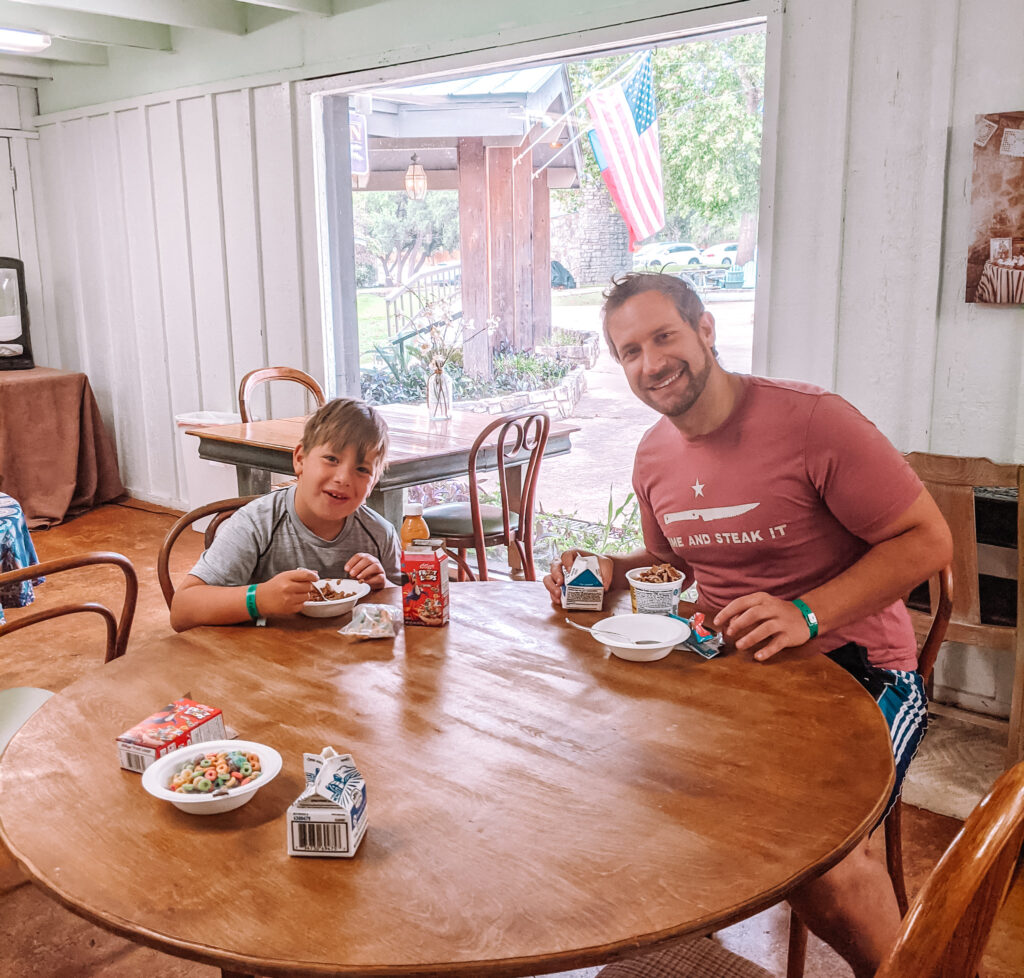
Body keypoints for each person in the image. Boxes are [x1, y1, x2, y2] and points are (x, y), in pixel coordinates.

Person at [543, 273, 952, 978]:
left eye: (664, 336)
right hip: (729, 669)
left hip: (860, 669)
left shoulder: (814, 421)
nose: (651, 364)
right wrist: (610, 564)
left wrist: (806, 612)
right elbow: (673, 560)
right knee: (610, 786)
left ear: (705, 331)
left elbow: (928, 541)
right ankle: (691, 958)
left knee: (819, 855)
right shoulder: (653, 455)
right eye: (630, 351)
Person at [171, 397, 401, 632]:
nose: (343, 478)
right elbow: (182, 610)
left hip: (349, 662)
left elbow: (403, 605)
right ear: (300, 459)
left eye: (362, 470)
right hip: (260, 661)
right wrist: (258, 599)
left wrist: (383, 586)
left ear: (372, 484)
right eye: (332, 459)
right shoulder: (257, 524)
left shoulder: (379, 534)